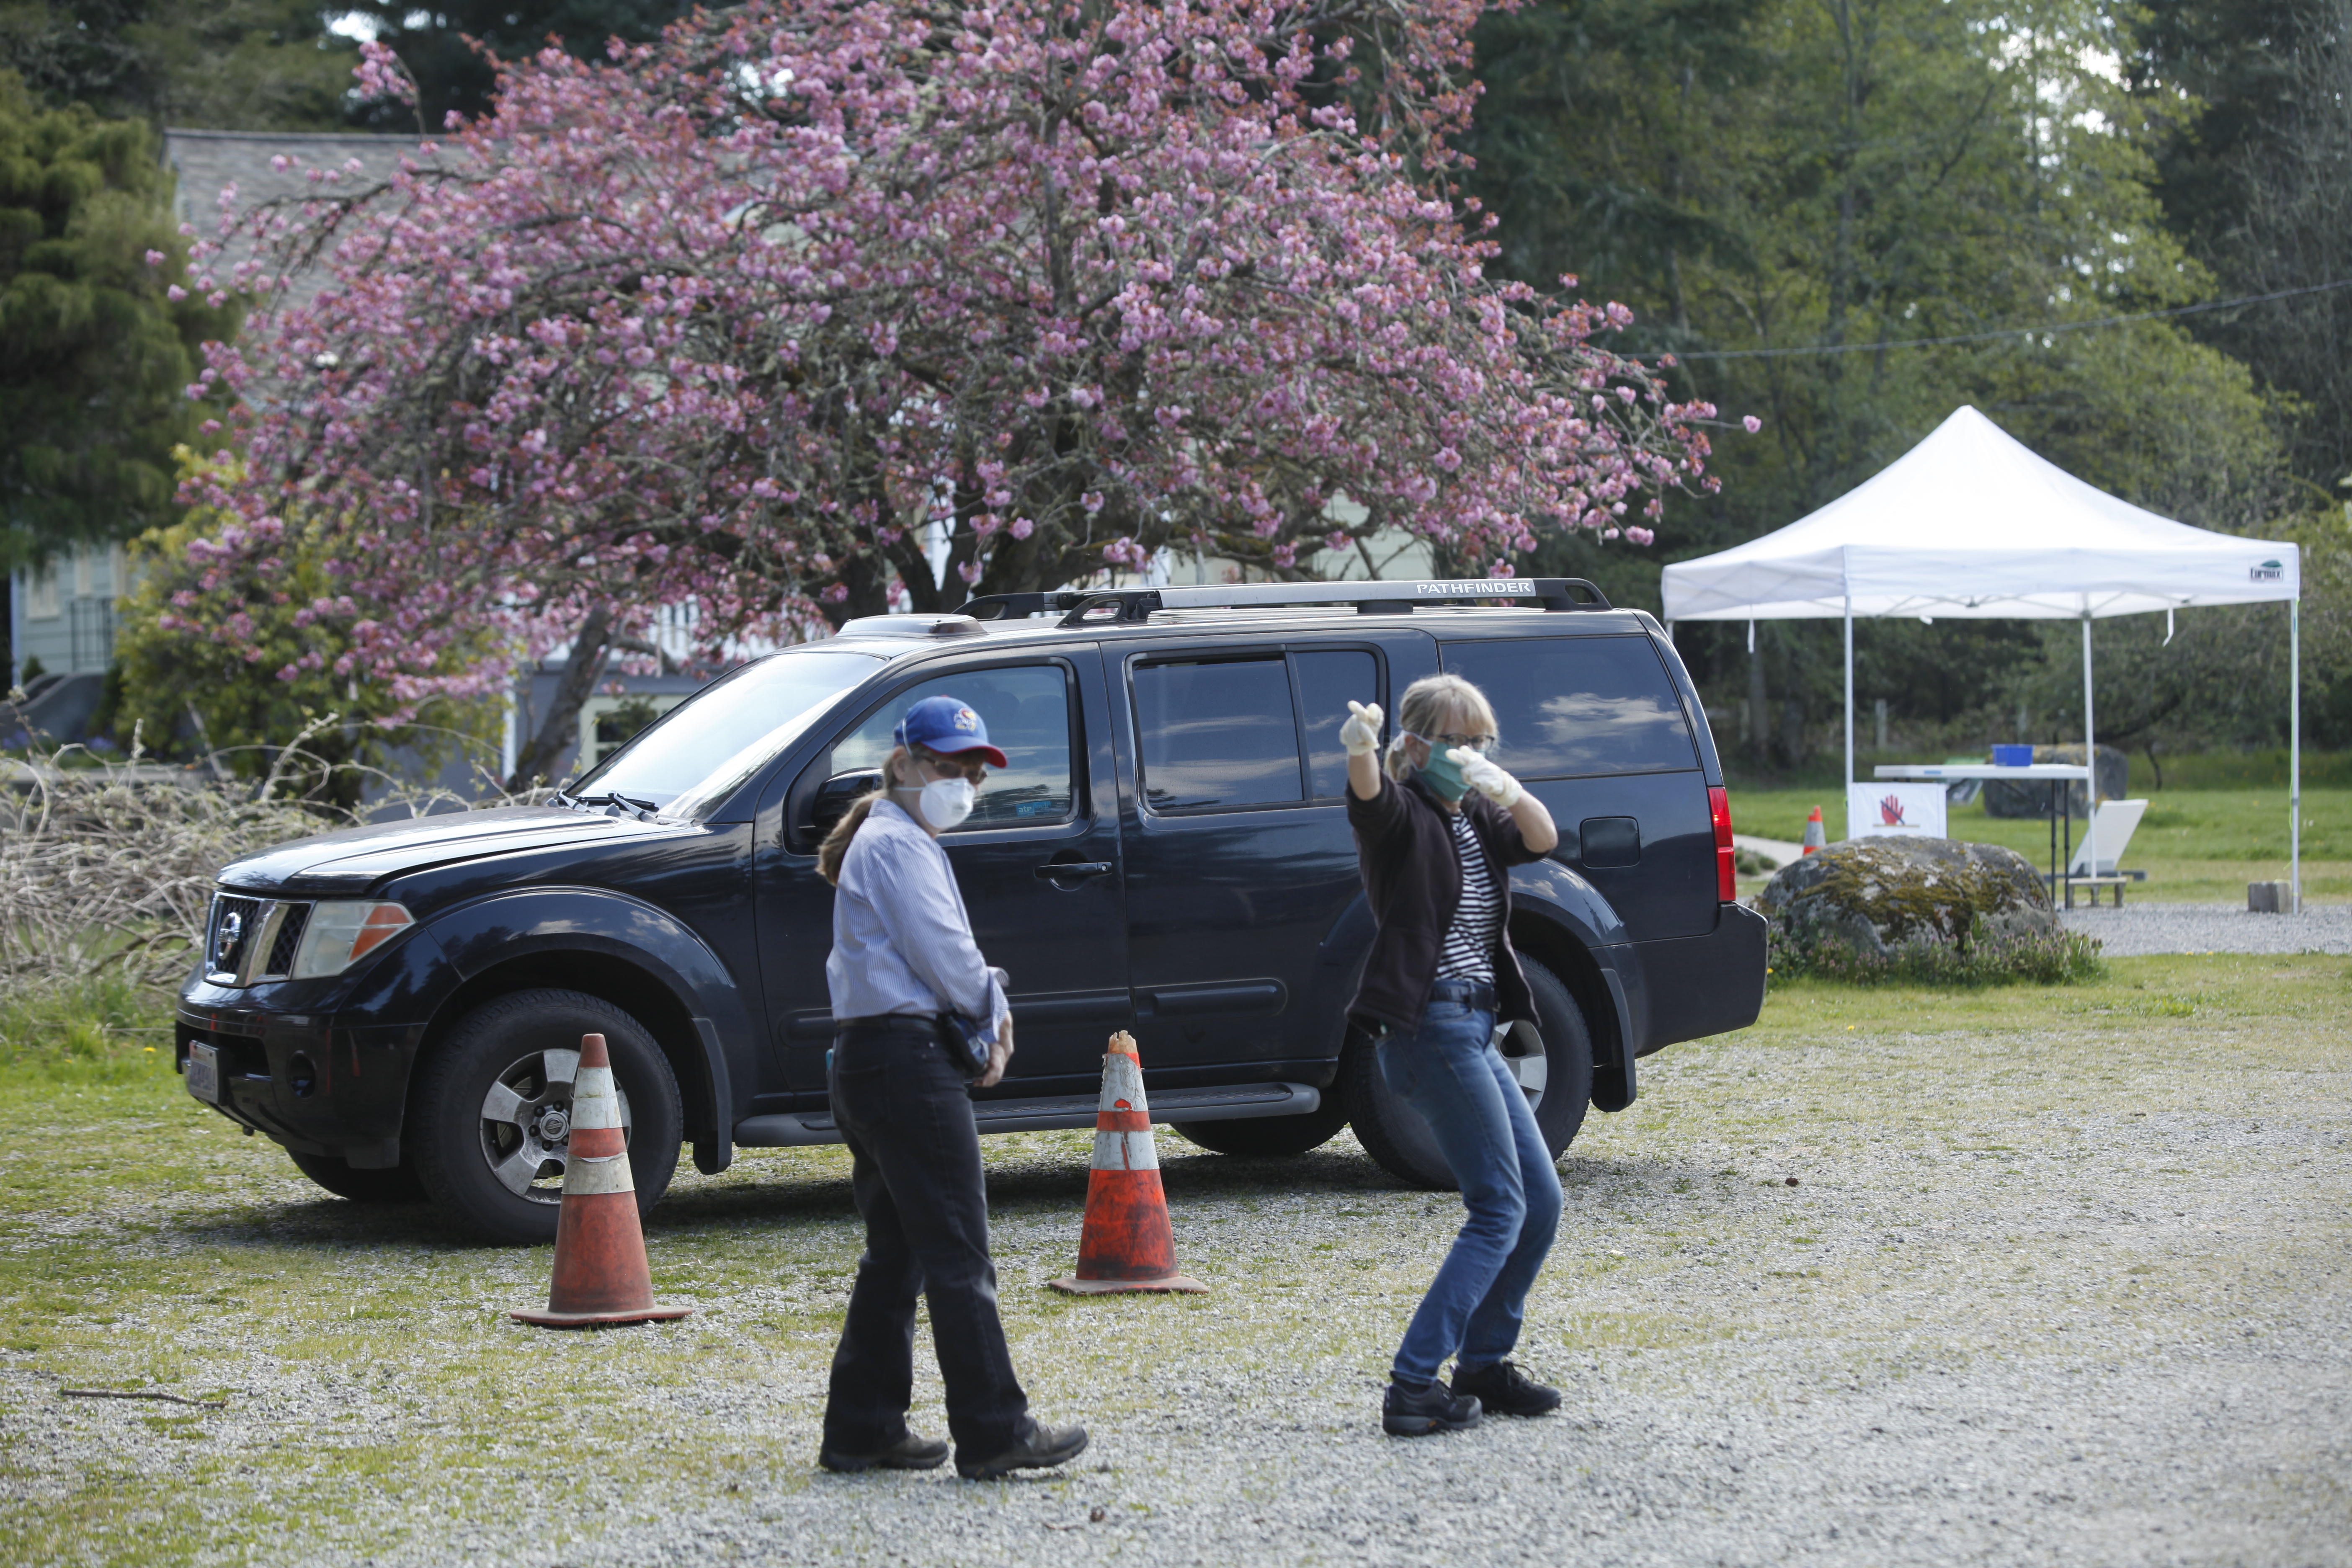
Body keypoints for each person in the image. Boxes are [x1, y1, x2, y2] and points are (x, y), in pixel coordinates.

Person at [813, 694, 1088, 1481]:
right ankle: (995, 1428)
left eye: (972, 771)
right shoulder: (899, 846)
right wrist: (994, 1020)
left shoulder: (888, 838)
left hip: (871, 1060)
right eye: (946, 766)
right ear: (901, 763)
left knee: (897, 1255)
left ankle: (863, 1427)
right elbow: (951, 959)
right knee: (958, 1254)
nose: (961, 782)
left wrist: (979, 1004)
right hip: (906, 1062)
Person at [1339, 674, 1568, 1437]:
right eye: (1457, 741)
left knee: (1541, 1202)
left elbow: (1541, 838)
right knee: (1499, 1207)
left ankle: (1482, 1366)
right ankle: (1412, 1386)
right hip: (1428, 1027)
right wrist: (1364, 750)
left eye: (1482, 741)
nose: (1470, 754)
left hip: (1475, 1028)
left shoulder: (1473, 817)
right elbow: (1370, 801)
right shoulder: (1404, 815)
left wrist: (1503, 785)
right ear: (1417, 745)